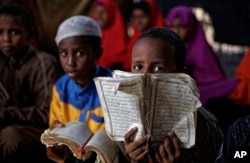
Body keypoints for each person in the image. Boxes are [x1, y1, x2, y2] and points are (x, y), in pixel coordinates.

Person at [123, 27, 223, 163]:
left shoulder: (202, 126)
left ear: (181, 75)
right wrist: (132, 159)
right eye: (138, 67)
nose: (145, 77)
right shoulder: (123, 119)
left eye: (158, 68)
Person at [0, 3, 60, 163]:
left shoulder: (43, 63)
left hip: (37, 129)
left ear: (29, 33)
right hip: (9, 122)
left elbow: (47, 114)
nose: (6, 39)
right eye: (0, 32)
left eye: (14, 32)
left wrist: (7, 112)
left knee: (10, 136)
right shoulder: (3, 62)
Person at [48, 15, 112, 162]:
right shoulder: (61, 88)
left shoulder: (111, 88)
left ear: (97, 53)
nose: (70, 62)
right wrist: (56, 135)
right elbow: (55, 134)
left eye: (79, 53)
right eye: (64, 53)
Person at [165, 5, 238, 106]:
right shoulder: (166, 46)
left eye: (182, 26)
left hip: (199, 87)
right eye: (173, 26)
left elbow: (212, 77)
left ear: (191, 26)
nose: (177, 31)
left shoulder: (201, 48)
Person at [124, 0, 165, 71]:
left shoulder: (162, 40)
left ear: (152, 16)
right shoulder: (133, 38)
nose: (138, 21)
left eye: (142, 16)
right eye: (135, 17)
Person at [91, 0, 128, 70]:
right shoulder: (90, 38)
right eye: (96, 12)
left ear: (111, 14)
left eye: (102, 12)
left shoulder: (123, 40)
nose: (98, 16)